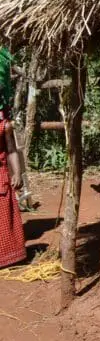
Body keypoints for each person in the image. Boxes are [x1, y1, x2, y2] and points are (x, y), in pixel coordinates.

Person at [0, 111, 27, 269]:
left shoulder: (5, 127)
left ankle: (10, 256)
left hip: (1, 177)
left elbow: (11, 150)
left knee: (5, 217)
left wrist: (17, 173)